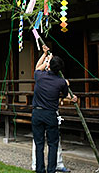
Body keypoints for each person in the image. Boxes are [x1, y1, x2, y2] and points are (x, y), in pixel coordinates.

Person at [32, 45, 77, 173]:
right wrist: (67, 85)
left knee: (39, 144)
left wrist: (45, 56)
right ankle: (51, 170)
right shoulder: (61, 82)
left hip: (37, 113)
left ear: (49, 66)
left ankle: (40, 170)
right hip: (50, 114)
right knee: (52, 144)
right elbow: (64, 94)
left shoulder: (39, 76)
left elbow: (37, 67)